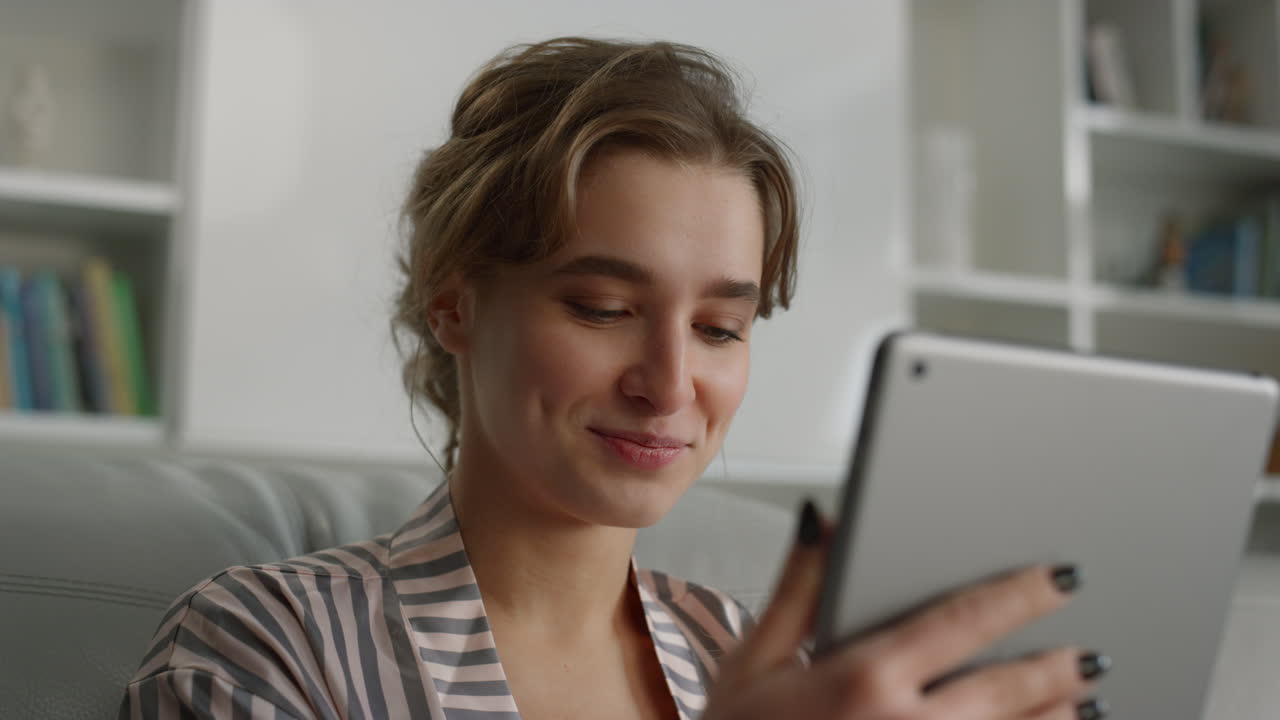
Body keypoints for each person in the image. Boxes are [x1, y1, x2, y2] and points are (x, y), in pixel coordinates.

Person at [119, 37, 1108, 720]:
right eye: (601, 308)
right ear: (453, 303)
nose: (670, 382)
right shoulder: (264, 642)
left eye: (721, 326)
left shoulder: (763, 663)